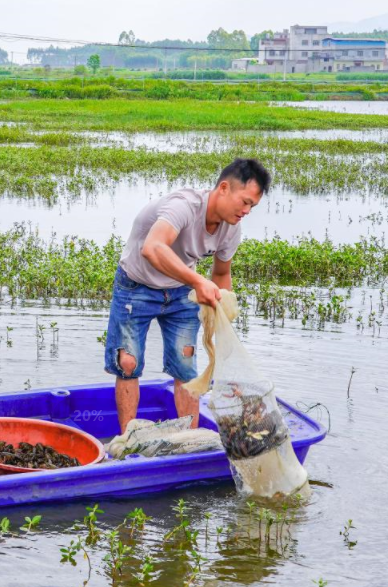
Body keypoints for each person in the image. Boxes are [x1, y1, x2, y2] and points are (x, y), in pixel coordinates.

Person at [105, 158, 271, 433]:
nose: (247, 211)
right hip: (136, 286)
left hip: (182, 293)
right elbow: (153, 247)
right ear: (224, 188)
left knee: (185, 364)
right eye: (244, 202)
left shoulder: (232, 228)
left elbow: (220, 275)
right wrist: (197, 281)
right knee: (128, 363)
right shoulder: (184, 206)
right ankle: (127, 442)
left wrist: (222, 315)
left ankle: (190, 439)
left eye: (252, 206)